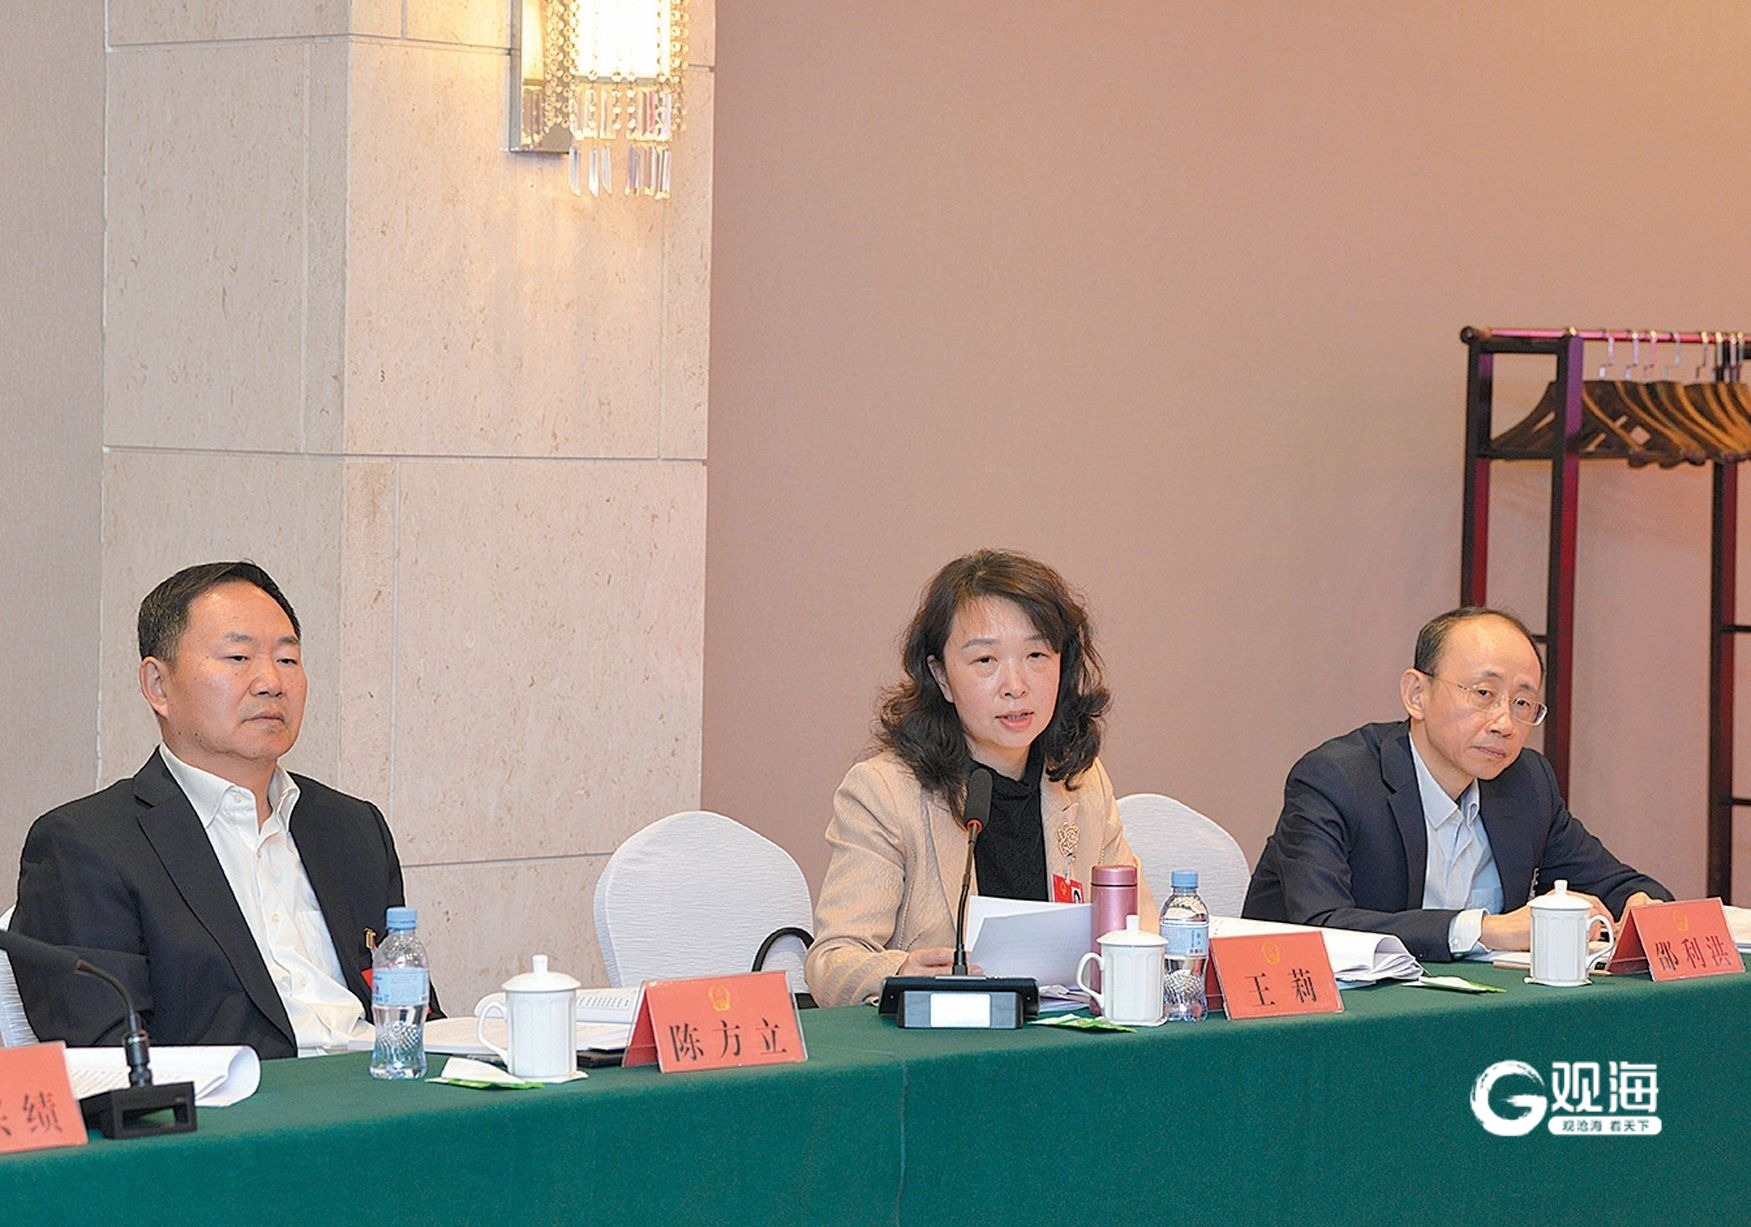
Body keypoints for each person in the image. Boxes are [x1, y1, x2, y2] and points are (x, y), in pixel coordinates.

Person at [12, 561, 437, 1058]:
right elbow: (110, 1056)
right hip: (240, 1101)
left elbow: (412, 1011)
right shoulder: (86, 844)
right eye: (238, 657)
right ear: (158, 685)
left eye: (287, 659)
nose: (271, 682)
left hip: (384, 1086)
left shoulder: (352, 828)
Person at [805, 550, 1155, 1007]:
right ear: (941, 677)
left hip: (1059, 1037)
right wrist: (901, 973)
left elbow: (1140, 927)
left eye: (1036, 655)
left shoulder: (1080, 783)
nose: (1016, 685)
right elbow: (832, 963)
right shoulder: (885, 792)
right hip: (947, 1041)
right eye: (986, 660)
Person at [1244, 606, 1670, 962]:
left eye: (1522, 703)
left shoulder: (1526, 784)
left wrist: (1639, 905)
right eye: (1484, 694)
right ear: (1417, 694)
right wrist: (1488, 930)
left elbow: (1619, 885)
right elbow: (1319, 925)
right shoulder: (1337, 779)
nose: (1504, 723)